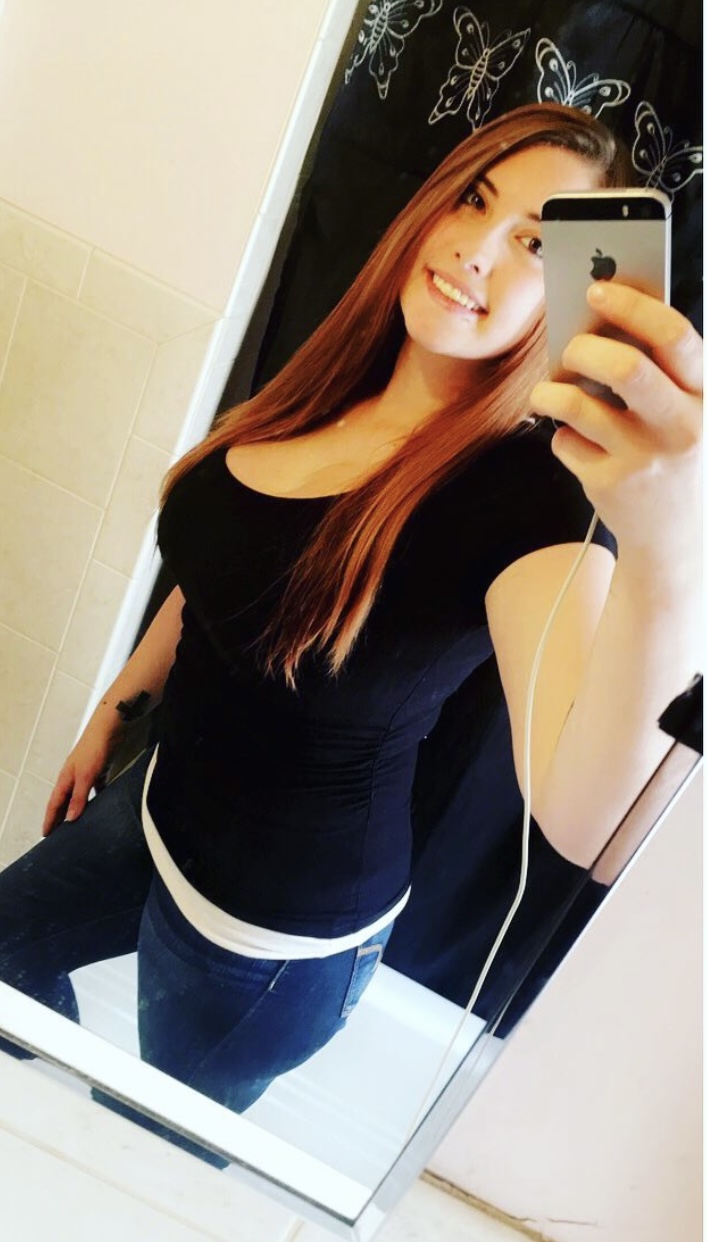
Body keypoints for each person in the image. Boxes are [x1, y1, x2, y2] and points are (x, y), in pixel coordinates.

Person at [0, 104, 701, 1163]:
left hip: (269, 941)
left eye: (533, 245)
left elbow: (585, 823)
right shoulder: (324, 386)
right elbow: (215, 580)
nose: (474, 248)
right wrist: (115, 709)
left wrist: (667, 543)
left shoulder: (531, 503)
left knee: (139, 1154)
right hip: (151, 811)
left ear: (576, 294)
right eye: (473, 200)